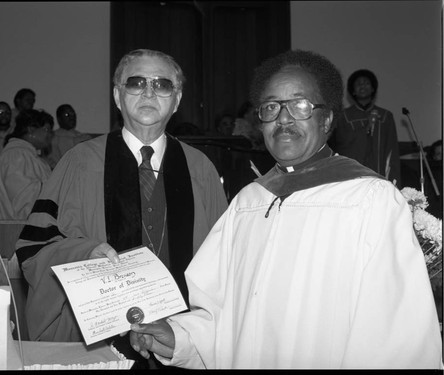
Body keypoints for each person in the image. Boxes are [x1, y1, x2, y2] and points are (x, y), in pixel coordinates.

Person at [128, 50, 442, 369]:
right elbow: (218, 313)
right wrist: (179, 338)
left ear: (328, 119)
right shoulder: (248, 203)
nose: (283, 118)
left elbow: (397, 337)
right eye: (271, 107)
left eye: (300, 105)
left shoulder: (369, 200)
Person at [14, 49, 228, 367]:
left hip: (179, 339)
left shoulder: (201, 169)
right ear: (117, 95)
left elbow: (223, 265)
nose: (149, 92)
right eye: (137, 82)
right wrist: (83, 254)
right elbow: (33, 249)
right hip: (97, 345)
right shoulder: (78, 163)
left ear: (177, 99)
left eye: (163, 85)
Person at [329, 69, 401, 186]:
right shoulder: (343, 116)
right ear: (353, 91)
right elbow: (338, 146)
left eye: (366, 83)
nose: (362, 86)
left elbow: (391, 150)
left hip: (379, 175)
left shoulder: (385, 116)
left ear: (373, 89)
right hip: (351, 177)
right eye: (358, 84)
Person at [0, 109, 53, 221]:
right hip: (15, 231)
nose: (50, 135)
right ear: (31, 130)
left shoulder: (28, 156)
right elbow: (22, 199)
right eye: (46, 129)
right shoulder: (16, 156)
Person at [46, 104, 92, 168]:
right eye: (67, 115)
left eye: (73, 114)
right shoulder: (51, 137)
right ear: (59, 118)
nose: (72, 118)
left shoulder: (84, 137)